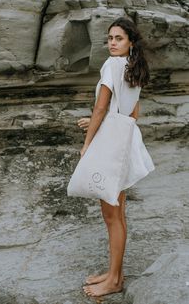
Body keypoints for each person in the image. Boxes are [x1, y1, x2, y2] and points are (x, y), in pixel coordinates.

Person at [76, 17, 155, 297]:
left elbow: (101, 108)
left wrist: (87, 144)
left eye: (118, 38)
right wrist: (97, 119)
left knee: (111, 216)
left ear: (130, 41)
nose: (112, 43)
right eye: (110, 38)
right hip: (126, 141)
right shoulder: (134, 68)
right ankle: (114, 273)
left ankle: (114, 281)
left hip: (110, 145)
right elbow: (133, 113)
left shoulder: (112, 65)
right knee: (118, 213)